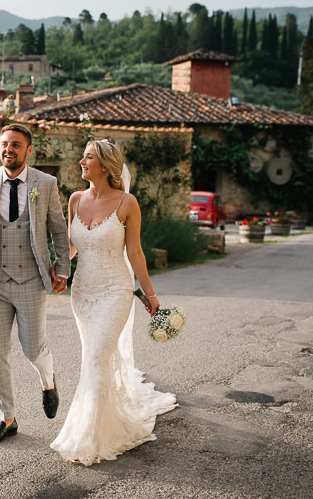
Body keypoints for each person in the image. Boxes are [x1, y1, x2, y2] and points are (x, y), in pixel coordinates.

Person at [51, 139, 177, 465]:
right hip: (83, 293)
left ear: (105, 166)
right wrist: (58, 271)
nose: (81, 161)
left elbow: (135, 252)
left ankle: (88, 437)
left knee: (96, 357)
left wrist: (150, 296)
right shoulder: (75, 200)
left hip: (115, 292)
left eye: (88, 157)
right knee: (92, 358)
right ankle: (104, 425)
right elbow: (71, 245)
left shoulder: (127, 202)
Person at [0, 123, 71, 444]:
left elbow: (59, 230)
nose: (9, 149)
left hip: (31, 279)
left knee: (33, 349)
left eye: (16, 145)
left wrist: (62, 270)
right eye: (5, 144)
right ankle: (7, 418)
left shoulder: (44, 184)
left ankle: (48, 381)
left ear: (28, 150)